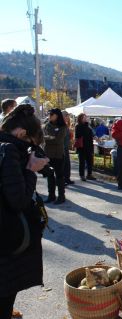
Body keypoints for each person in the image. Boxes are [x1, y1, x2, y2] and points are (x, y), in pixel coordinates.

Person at [0, 104, 49, 319]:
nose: (30, 150)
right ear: (21, 134)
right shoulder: (9, 150)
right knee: (5, 289)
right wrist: (31, 170)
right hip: (7, 237)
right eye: (30, 144)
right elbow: (18, 200)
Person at [43, 108, 67, 204]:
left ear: (56, 115)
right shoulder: (47, 125)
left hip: (58, 154)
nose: (49, 116)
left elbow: (58, 140)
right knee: (49, 175)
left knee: (59, 176)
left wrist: (48, 137)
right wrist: (50, 137)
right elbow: (43, 136)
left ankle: (61, 196)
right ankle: (51, 196)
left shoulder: (62, 126)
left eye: (51, 114)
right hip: (48, 154)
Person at [75, 113, 96, 182]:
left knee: (90, 161)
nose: (85, 118)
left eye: (86, 117)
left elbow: (91, 134)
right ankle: (82, 175)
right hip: (82, 146)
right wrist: (86, 125)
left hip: (89, 146)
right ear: (80, 118)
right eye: (84, 117)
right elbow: (79, 135)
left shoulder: (88, 126)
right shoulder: (78, 126)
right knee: (82, 162)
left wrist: (95, 137)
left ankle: (89, 174)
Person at [62, 111, 74, 186]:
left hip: (66, 147)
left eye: (68, 116)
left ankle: (67, 178)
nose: (67, 117)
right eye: (66, 116)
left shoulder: (66, 125)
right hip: (61, 147)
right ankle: (62, 180)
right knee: (62, 165)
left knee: (67, 164)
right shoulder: (60, 125)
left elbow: (68, 137)